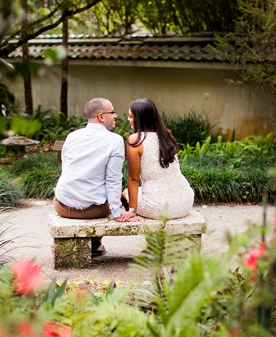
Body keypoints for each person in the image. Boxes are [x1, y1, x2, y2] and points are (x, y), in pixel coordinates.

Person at [53, 97, 129, 256]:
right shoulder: (115, 141)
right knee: (122, 196)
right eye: (112, 112)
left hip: (63, 206)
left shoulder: (72, 136)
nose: (116, 116)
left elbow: (66, 167)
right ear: (101, 116)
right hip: (94, 210)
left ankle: (93, 245)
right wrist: (117, 213)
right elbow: (113, 179)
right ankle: (95, 244)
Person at [116, 98, 194, 222]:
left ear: (139, 118)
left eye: (131, 116)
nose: (128, 119)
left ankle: (135, 220)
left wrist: (132, 210)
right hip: (185, 201)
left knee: (126, 192)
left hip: (158, 206)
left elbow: (134, 179)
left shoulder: (135, 140)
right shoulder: (167, 135)